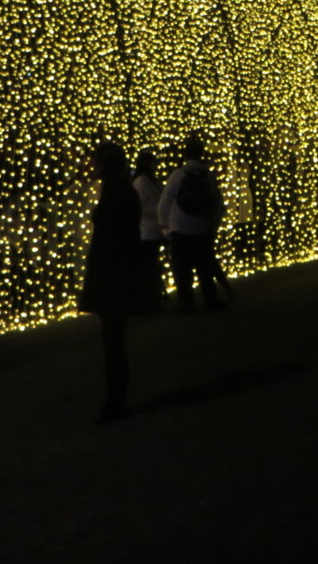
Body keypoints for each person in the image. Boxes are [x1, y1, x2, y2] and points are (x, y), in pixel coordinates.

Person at [79, 141, 145, 423]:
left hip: (113, 277)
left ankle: (116, 403)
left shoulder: (117, 193)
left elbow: (112, 234)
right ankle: (115, 401)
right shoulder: (122, 190)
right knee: (114, 342)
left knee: (114, 343)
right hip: (118, 274)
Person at [159, 135, 225, 311]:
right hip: (202, 226)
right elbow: (217, 201)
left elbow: (165, 199)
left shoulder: (178, 174)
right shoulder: (208, 174)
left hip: (179, 226)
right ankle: (210, 299)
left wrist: (164, 224)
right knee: (204, 266)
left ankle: (186, 302)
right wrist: (213, 223)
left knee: (182, 268)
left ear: (185, 155)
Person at [132, 148, 166, 307]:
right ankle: (151, 297)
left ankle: (154, 295)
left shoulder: (150, 180)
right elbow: (140, 207)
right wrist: (158, 210)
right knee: (149, 265)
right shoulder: (141, 182)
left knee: (152, 263)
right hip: (146, 230)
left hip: (154, 229)